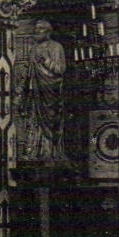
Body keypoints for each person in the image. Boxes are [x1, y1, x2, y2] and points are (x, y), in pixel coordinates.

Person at [20, 19, 67, 163]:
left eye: (40, 29)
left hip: (50, 92)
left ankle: (50, 152)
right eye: (36, 28)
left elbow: (60, 69)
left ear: (48, 31)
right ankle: (34, 151)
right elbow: (28, 71)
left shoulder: (56, 47)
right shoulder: (33, 49)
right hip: (35, 92)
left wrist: (46, 61)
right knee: (33, 120)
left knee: (51, 121)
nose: (36, 31)